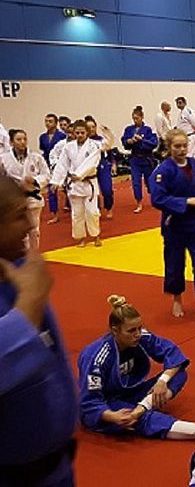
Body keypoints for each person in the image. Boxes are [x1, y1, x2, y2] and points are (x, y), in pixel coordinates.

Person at [0, 177, 77, 486]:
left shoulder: (22, 273)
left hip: (56, 467)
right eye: (19, 215)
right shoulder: (29, 290)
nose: (31, 225)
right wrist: (30, 304)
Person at [78, 295, 195, 440]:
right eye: (131, 331)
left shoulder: (140, 336)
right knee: (141, 419)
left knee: (178, 374)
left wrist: (162, 381)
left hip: (129, 394)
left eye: (139, 328)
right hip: (105, 406)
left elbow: (172, 352)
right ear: (115, 330)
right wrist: (113, 416)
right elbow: (89, 402)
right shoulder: (96, 358)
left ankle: (141, 408)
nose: (137, 334)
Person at [149, 129, 195, 325]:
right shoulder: (163, 170)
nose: (181, 150)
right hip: (175, 224)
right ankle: (177, 298)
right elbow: (157, 199)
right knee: (175, 264)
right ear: (169, 147)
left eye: (184, 146)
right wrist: (185, 202)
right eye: (177, 146)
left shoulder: (194, 164)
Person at [49, 120, 103, 247]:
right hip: (74, 184)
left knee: (92, 212)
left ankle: (96, 235)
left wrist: (79, 174)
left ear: (87, 133)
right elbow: (62, 164)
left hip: (88, 182)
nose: (80, 135)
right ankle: (81, 237)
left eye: (82, 133)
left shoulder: (93, 146)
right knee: (77, 213)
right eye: (77, 133)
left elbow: (92, 163)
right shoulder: (68, 147)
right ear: (73, 133)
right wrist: (56, 181)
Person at [0, 129, 50, 249]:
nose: (22, 142)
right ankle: (22, 253)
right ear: (11, 142)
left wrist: (35, 180)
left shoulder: (36, 157)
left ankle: (34, 253)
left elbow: (47, 175)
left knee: (34, 229)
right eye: (19, 139)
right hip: (14, 199)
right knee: (18, 230)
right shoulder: (3, 159)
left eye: (24, 139)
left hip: (33, 197)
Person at [122, 106, 159, 214]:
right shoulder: (129, 129)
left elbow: (154, 143)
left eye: (137, 118)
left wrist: (142, 140)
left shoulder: (148, 130)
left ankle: (154, 199)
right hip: (135, 159)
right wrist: (129, 141)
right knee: (136, 182)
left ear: (142, 117)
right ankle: (138, 203)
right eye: (133, 118)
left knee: (150, 181)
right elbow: (124, 142)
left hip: (147, 159)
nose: (135, 120)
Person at [85, 115, 116, 219]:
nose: (91, 129)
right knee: (93, 191)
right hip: (89, 168)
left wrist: (108, 133)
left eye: (93, 127)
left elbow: (109, 147)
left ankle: (109, 208)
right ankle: (96, 209)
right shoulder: (84, 142)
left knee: (107, 190)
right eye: (88, 127)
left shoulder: (101, 140)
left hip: (102, 165)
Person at [38, 113, 66, 224]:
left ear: (56, 123)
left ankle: (71, 206)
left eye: (50, 121)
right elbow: (43, 150)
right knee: (51, 190)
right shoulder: (42, 137)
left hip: (61, 164)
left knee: (68, 188)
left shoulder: (62, 136)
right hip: (47, 163)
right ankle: (54, 213)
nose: (48, 123)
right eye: (46, 121)